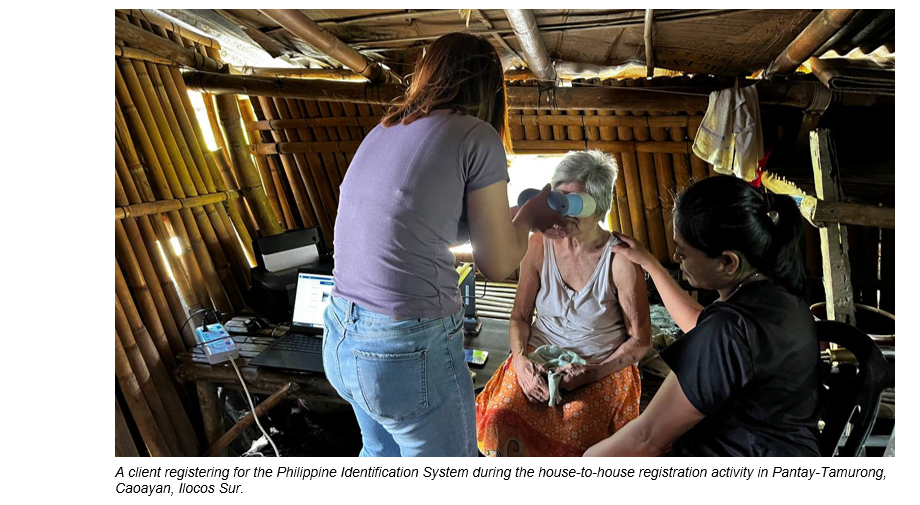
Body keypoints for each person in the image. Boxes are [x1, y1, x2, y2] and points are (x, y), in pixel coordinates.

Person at [322, 33, 564, 457]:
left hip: (341, 337)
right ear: (490, 86)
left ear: (428, 73)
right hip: (405, 348)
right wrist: (529, 218)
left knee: (380, 459)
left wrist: (501, 217)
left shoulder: (385, 129)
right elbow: (496, 263)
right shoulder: (477, 135)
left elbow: (413, 222)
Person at [584, 176, 820, 457]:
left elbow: (646, 439)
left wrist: (586, 463)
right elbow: (700, 325)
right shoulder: (777, 294)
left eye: (682, 254)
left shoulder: (728, 329)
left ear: (727, 262)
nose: (675, 256)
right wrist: (649, 262)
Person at [476, 151, 651, 457]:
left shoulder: (620, 259)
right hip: (539, 355)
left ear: (598, 209)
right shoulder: (539, 244)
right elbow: (519, 316)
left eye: (575, 203)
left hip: (600, 363)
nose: (563, 214)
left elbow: (641, 341)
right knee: (501, 417)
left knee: (578, 432)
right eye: (559, 200)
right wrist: (520, 361)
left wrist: (593, 372)